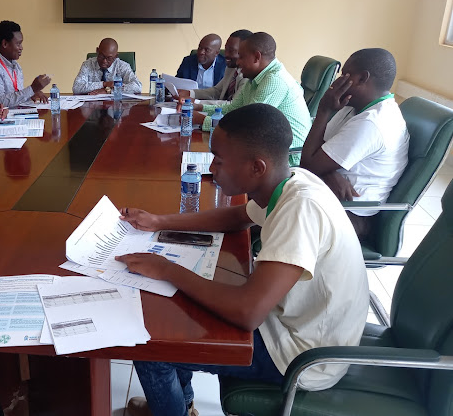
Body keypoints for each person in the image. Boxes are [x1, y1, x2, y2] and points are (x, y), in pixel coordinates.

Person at [117, 104, 368, 416]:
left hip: (303, 356)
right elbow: (237, 216)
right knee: (176, 312)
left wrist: (167, 268)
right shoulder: (289, 181)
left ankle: (172, 410)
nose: (212, 167)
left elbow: (248, 312)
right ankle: (180, 404)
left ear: (256, 167)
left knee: (153, 346)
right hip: (295, 325)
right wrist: (159, 222)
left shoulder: (300, 210)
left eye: (219, 160)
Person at [299, 48, 409, 239]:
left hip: (350, 213)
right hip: (326, 193)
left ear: (361, 78)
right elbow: (319, 152)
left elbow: (308, 165)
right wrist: (329, 171)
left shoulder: (373, 122)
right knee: (258, 196)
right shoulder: (354, 107)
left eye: (345, 75)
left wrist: (324, 110)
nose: (337, 81)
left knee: (262, 214)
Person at [184, 32, 312, 166]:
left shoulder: (274, 80)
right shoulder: (254, 77)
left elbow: (250, 125)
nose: (237, 62)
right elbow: (233, 109)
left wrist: (204, 120)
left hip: (289, 157)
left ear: (257, 57)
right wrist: (200, 107)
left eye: (242, 57)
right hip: (265, 146)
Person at [0, 20, 51, 107]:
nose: (21, 48)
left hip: (15, 114)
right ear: (5, 44)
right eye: (18, 44)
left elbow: (14, 96)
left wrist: (31, 94)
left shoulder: (15, 65)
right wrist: (32, 89)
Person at [178, 29, 253, 102]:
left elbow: (232, 105)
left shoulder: (248, 75)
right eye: (226, 49)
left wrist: (196, 103)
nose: (226, 54)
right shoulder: (231, 68)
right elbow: (217, 91)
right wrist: (190, 93)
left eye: (231, 51)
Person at [72, 38, 142, 95]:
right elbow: (76, 87)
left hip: (116, 108)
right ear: (97, 51)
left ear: (116, 56)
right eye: (101, 56)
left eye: (109, 58)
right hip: (92, 107)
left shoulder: (122, 66)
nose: (104, 61)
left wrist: (108, 91)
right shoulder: (88, 64)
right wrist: (104, 84)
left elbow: (137, 87)